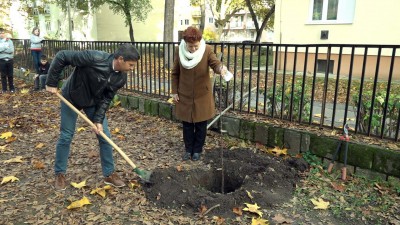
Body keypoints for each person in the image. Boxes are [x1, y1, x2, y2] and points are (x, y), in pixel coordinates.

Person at [45, 43, 140, 190]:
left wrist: (98, 120)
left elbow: (106, 99)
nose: (132, 69)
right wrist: (51, 82)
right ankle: (60, 174)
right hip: (71, 97)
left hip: (93, 103)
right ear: (120, 59)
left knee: (105, 136)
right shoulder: (94, 58)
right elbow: (62, 56)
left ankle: (109, 174)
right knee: (66, 136)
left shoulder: (120, 78)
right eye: (131, 65)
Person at [171, 26, 227, 161]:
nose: (193, 49)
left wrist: (221, 68)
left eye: (195, 46)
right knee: (187, 125)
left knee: (201, 125)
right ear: (185, 43)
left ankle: (197, 150)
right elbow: (175, 73)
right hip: (184, 94)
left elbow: (215, 63)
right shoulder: (179, 50)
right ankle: (188, 149)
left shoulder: (206, 50)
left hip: (203, 95)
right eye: (190, 46)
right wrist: (174, 92)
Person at [0, 28, 15, 93]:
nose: (1, 34)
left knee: (10, 75)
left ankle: (12, 88)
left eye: (3, 33)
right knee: (3, 75)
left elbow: (11, 50)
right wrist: (6, 47)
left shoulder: (10, 41)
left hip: (9, 60)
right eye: (0, 33)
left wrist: (2, 49)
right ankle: (4, 89)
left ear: (5, 34)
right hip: (2, 60)